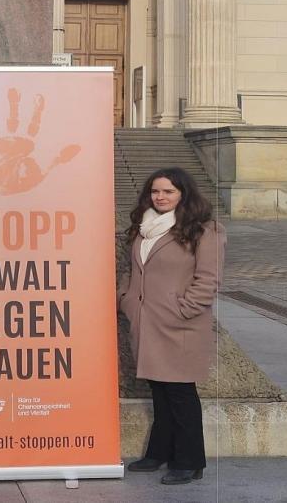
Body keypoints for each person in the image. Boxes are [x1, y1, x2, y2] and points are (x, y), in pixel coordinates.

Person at [118, 167, 226, 485]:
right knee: (159, 391)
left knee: (180, 393)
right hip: (145, 322)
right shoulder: (144, 228)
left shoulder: (205, 230)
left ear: (183, 194)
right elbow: (133, 270)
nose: (160, 197)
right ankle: (159, 452)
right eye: (155, 191)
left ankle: (190, 461)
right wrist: (125, 298)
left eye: (168, 191)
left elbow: (208, 279)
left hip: (180, 325)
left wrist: (183, 310)